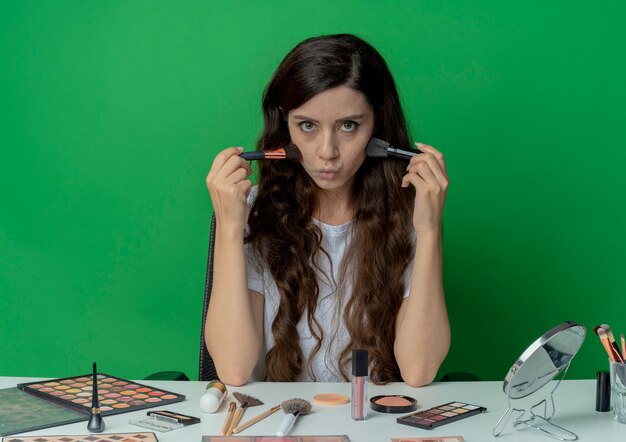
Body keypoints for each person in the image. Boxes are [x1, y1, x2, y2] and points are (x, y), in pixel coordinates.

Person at [205, 34, 450, 387]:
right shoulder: (254, 214)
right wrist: (230, 228)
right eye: (307, 125)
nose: (326, 152)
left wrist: (429, 232)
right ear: (284, 125)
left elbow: (419, 370)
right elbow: (234, 369)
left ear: (377, 126)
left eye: (348, 126)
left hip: (371, 424)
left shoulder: (406, 215)